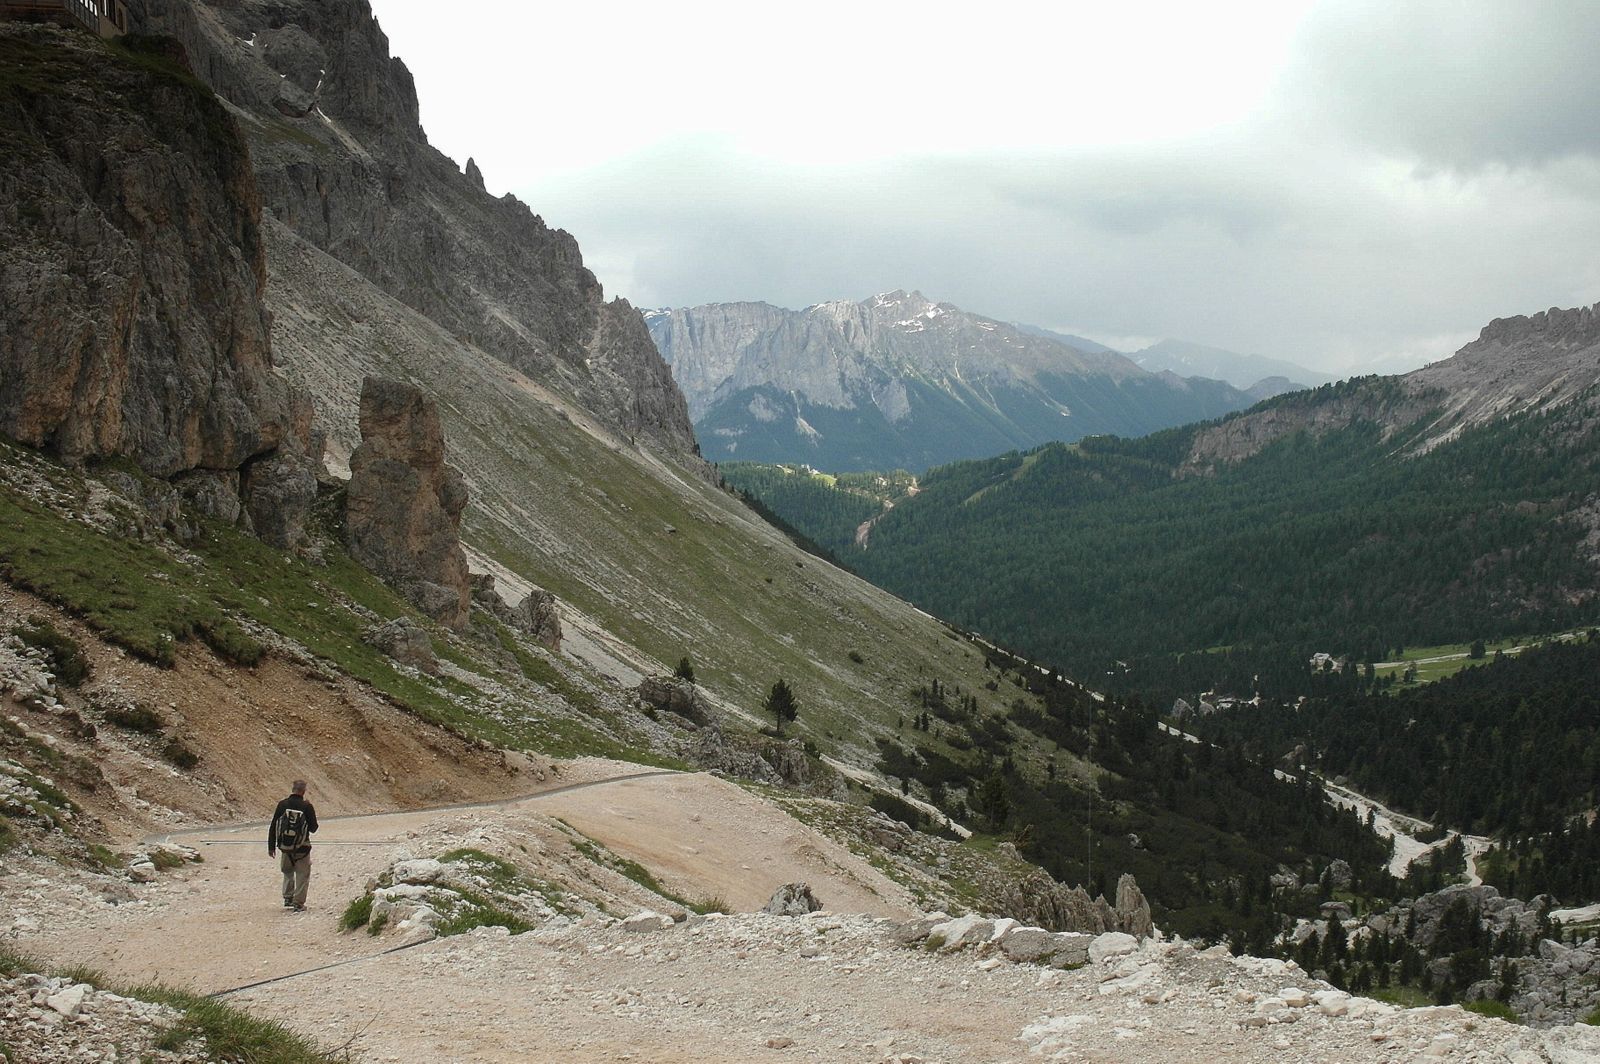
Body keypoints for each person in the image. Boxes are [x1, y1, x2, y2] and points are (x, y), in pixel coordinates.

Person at [268, 779, 319, 911]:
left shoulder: (282, 804)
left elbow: (273, 826)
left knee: (287, 872)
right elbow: (313, 828)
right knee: (302, 874)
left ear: (292, 789)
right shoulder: (307, 806)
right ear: (303, 791)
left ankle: (288, 898)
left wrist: (271, 846)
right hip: (303, 848)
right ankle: (298, 903)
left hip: (285, 847)